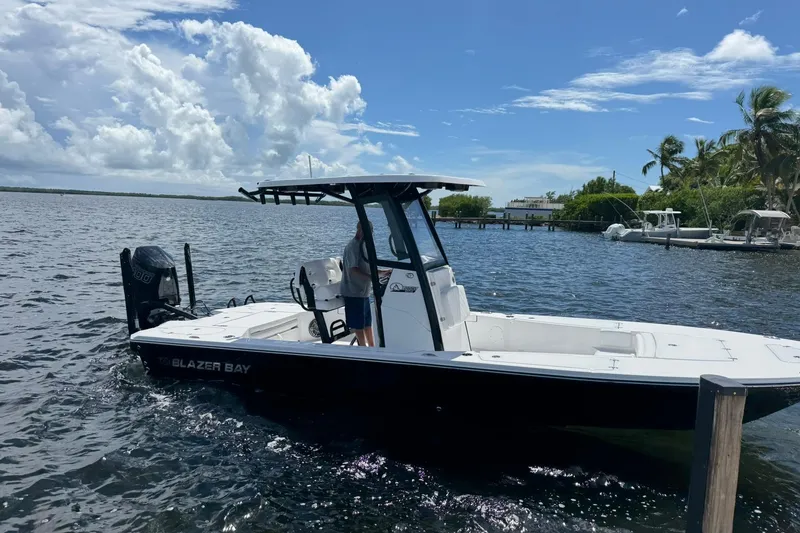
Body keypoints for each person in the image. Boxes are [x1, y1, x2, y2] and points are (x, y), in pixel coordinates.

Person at [340, 221, 375, 347]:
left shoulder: (363, 245)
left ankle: (372, 346)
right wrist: (372, 277)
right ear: (360, 230)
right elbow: (353, 270)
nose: (371, 234)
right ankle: (363, 348)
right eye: (369, 231)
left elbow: (367, 267)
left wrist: (381, 273)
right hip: (353, 292)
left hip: (364, 292)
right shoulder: (353, 247)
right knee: (358, 324)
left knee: (367, 323)